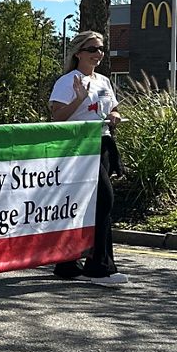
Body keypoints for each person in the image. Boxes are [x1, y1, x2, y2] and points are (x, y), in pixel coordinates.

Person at [49, 31, 129, 286]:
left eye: (101, 49)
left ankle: (67, 263)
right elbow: (57, 117)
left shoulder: (104, 81)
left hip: (103, 143)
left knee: (87, 204)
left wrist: (115, 115)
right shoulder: (68, 81)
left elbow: (111, 107)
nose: (98, 54)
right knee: (105, 201)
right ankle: (100, 267)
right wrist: (79, 100)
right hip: (78, 147)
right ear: (78, 53)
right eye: (92, 49)